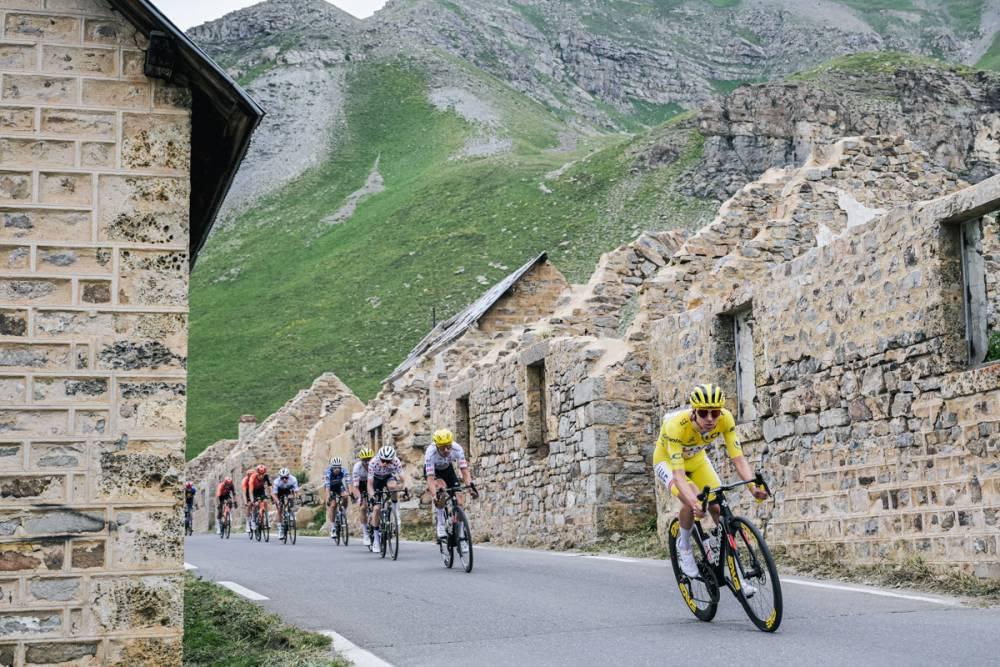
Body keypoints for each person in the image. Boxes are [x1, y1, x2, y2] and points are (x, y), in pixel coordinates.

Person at [653, 383, 768, 589]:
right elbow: (678, 475)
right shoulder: (676, 426)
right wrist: (693, 502)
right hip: (668, 462)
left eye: (714, 413)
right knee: (694, 499)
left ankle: (733, 569)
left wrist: (753, 488)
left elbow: (739, 459)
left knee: (717, 506)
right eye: (704, 413)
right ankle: (685, 547)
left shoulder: (725, 419)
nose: (710, 419)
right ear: (694, 411)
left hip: (697, 460)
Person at [425, 429, 478, 543]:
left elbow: (464, 470)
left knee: (459, 499)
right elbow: (430, 478)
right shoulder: (430, 453)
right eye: (442, 447)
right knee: (441, 491)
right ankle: (440, 522)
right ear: (437, 446)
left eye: (448, 446)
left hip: (448, 470)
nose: (446, 450)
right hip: (435, 473)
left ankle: (460, 532)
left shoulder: (457, 448)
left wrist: (470, 487)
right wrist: (435, 495)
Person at [366, 445, 408, 552]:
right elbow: (369, 484)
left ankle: (395, 510)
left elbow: (403, 478)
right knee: (376, 509)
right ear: (379, 458)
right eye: (383, 460)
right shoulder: (373, 463)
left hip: (388, 477)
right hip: (376, 480)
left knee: (393, 487)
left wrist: (405, 488)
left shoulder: (396, 461)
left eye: (388, 461)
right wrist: (372, 496)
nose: (385, 463)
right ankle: (376, 539)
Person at [352, 448, 374, 546]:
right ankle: (365, 533)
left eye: (369, 459)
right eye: (364, 460)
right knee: (363, 507)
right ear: (361, 460)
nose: (367, 462)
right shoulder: (357, 468)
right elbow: (355, 487)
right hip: (361, 484)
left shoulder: (375, 465)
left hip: (372, 482)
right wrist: (360, 498)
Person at [324, 457, 351, 538]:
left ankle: (342, 512)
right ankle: (333, 528)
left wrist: (350, 493)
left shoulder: (344, 470)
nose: (337, 469)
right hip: (330, 488)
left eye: (338, 467)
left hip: (339, 486)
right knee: (333, 505)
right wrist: (328, 497)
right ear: (332, 467)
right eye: (335, 467)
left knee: (345, 496)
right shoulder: (328, 472)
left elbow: (348, 482)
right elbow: (327, 487)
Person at [272, 467, 300, 540]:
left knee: (291, 499)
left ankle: (291, 513)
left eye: (286, 478)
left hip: (288, 490)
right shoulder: (276, 482)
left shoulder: (293, 479)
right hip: (279, 492)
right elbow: (274, 494)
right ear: (280, 477)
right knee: (279, 509)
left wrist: (294, 496)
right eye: (282, 478)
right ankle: (280, 529)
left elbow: (296, 492)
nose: (284, 479)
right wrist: (278, 501)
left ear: (289, 476)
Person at [247, 464, 271, 533]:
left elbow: (270, 488)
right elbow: (250, 491)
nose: (261, 476)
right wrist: (252, 501)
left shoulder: (266, 477)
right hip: (253, 491)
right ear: (257, 473)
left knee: (265, 501)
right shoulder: (252, 477)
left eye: (263, 474)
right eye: (260, 474)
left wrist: (271, 495)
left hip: (261, 490)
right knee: (256, 504)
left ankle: (267, 519)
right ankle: (253, 520)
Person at [241, 468, 255, 534]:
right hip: (247, 492)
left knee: (256, 503)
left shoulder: (255, 478)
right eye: (250, 476)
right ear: (248, 476)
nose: (252, 477)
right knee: (249, 505)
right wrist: (246, 502)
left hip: (254, 491)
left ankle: (255, 518)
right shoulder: (244, 480)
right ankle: (247, 522)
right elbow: (244, 493)